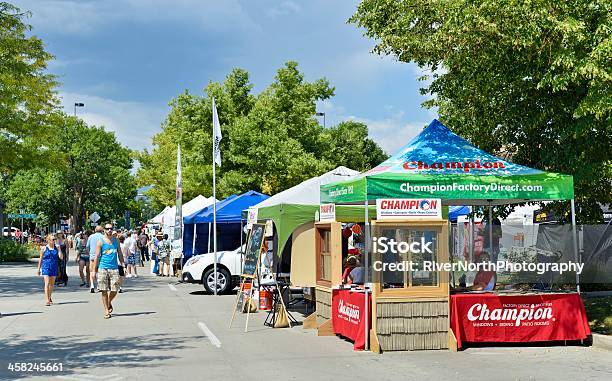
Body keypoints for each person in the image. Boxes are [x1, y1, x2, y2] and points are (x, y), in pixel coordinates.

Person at [93, 223, 125, 319]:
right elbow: (97, 256)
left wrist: (123, 264)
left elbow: (119, 253)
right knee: (104, 290)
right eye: (107, 229)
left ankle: (109, 302)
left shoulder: (116, 241)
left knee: (115, 289)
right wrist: (93, 270)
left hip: (114, 268)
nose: (109, 230)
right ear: (104, 230)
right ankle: (106, 310)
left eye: (111, 229)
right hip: (103, 268)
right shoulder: (101, 241)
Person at [37, 234, 64, 306]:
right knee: (47, 283)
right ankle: (47, 300)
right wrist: (38, 269)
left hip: (54, 267)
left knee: (52, 284)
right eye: (53, 239)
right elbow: (40, 259)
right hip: (46, 267)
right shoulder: (44, 248)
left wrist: (59, 249)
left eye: (55, 239)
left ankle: (49, 297)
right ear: (48, 240)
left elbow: (61, 257)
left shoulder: (57, 247)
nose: (54, 240)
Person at [87, 226, 104, 293]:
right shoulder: (103, 237)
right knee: (99, 271)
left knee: (92, 271)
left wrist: (90, 253)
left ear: (95, 230)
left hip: (92, 256)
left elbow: (87, 246)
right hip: (101, 256)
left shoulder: (91, 236)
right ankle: (99, 286)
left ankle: (92, 285)